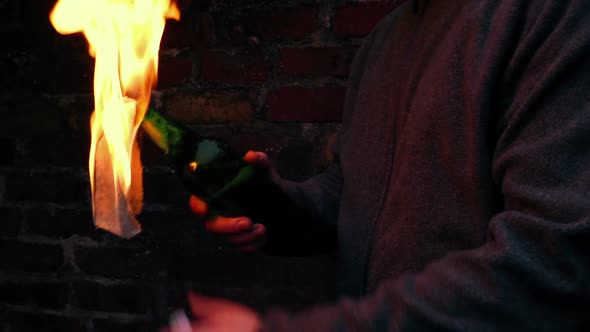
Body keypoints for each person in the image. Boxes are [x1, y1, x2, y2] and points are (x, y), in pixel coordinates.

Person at [164, 0, 590, 330]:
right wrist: (275, 208)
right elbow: (354, 197)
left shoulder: (553, 15)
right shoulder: (385, 40)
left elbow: (550, 269)